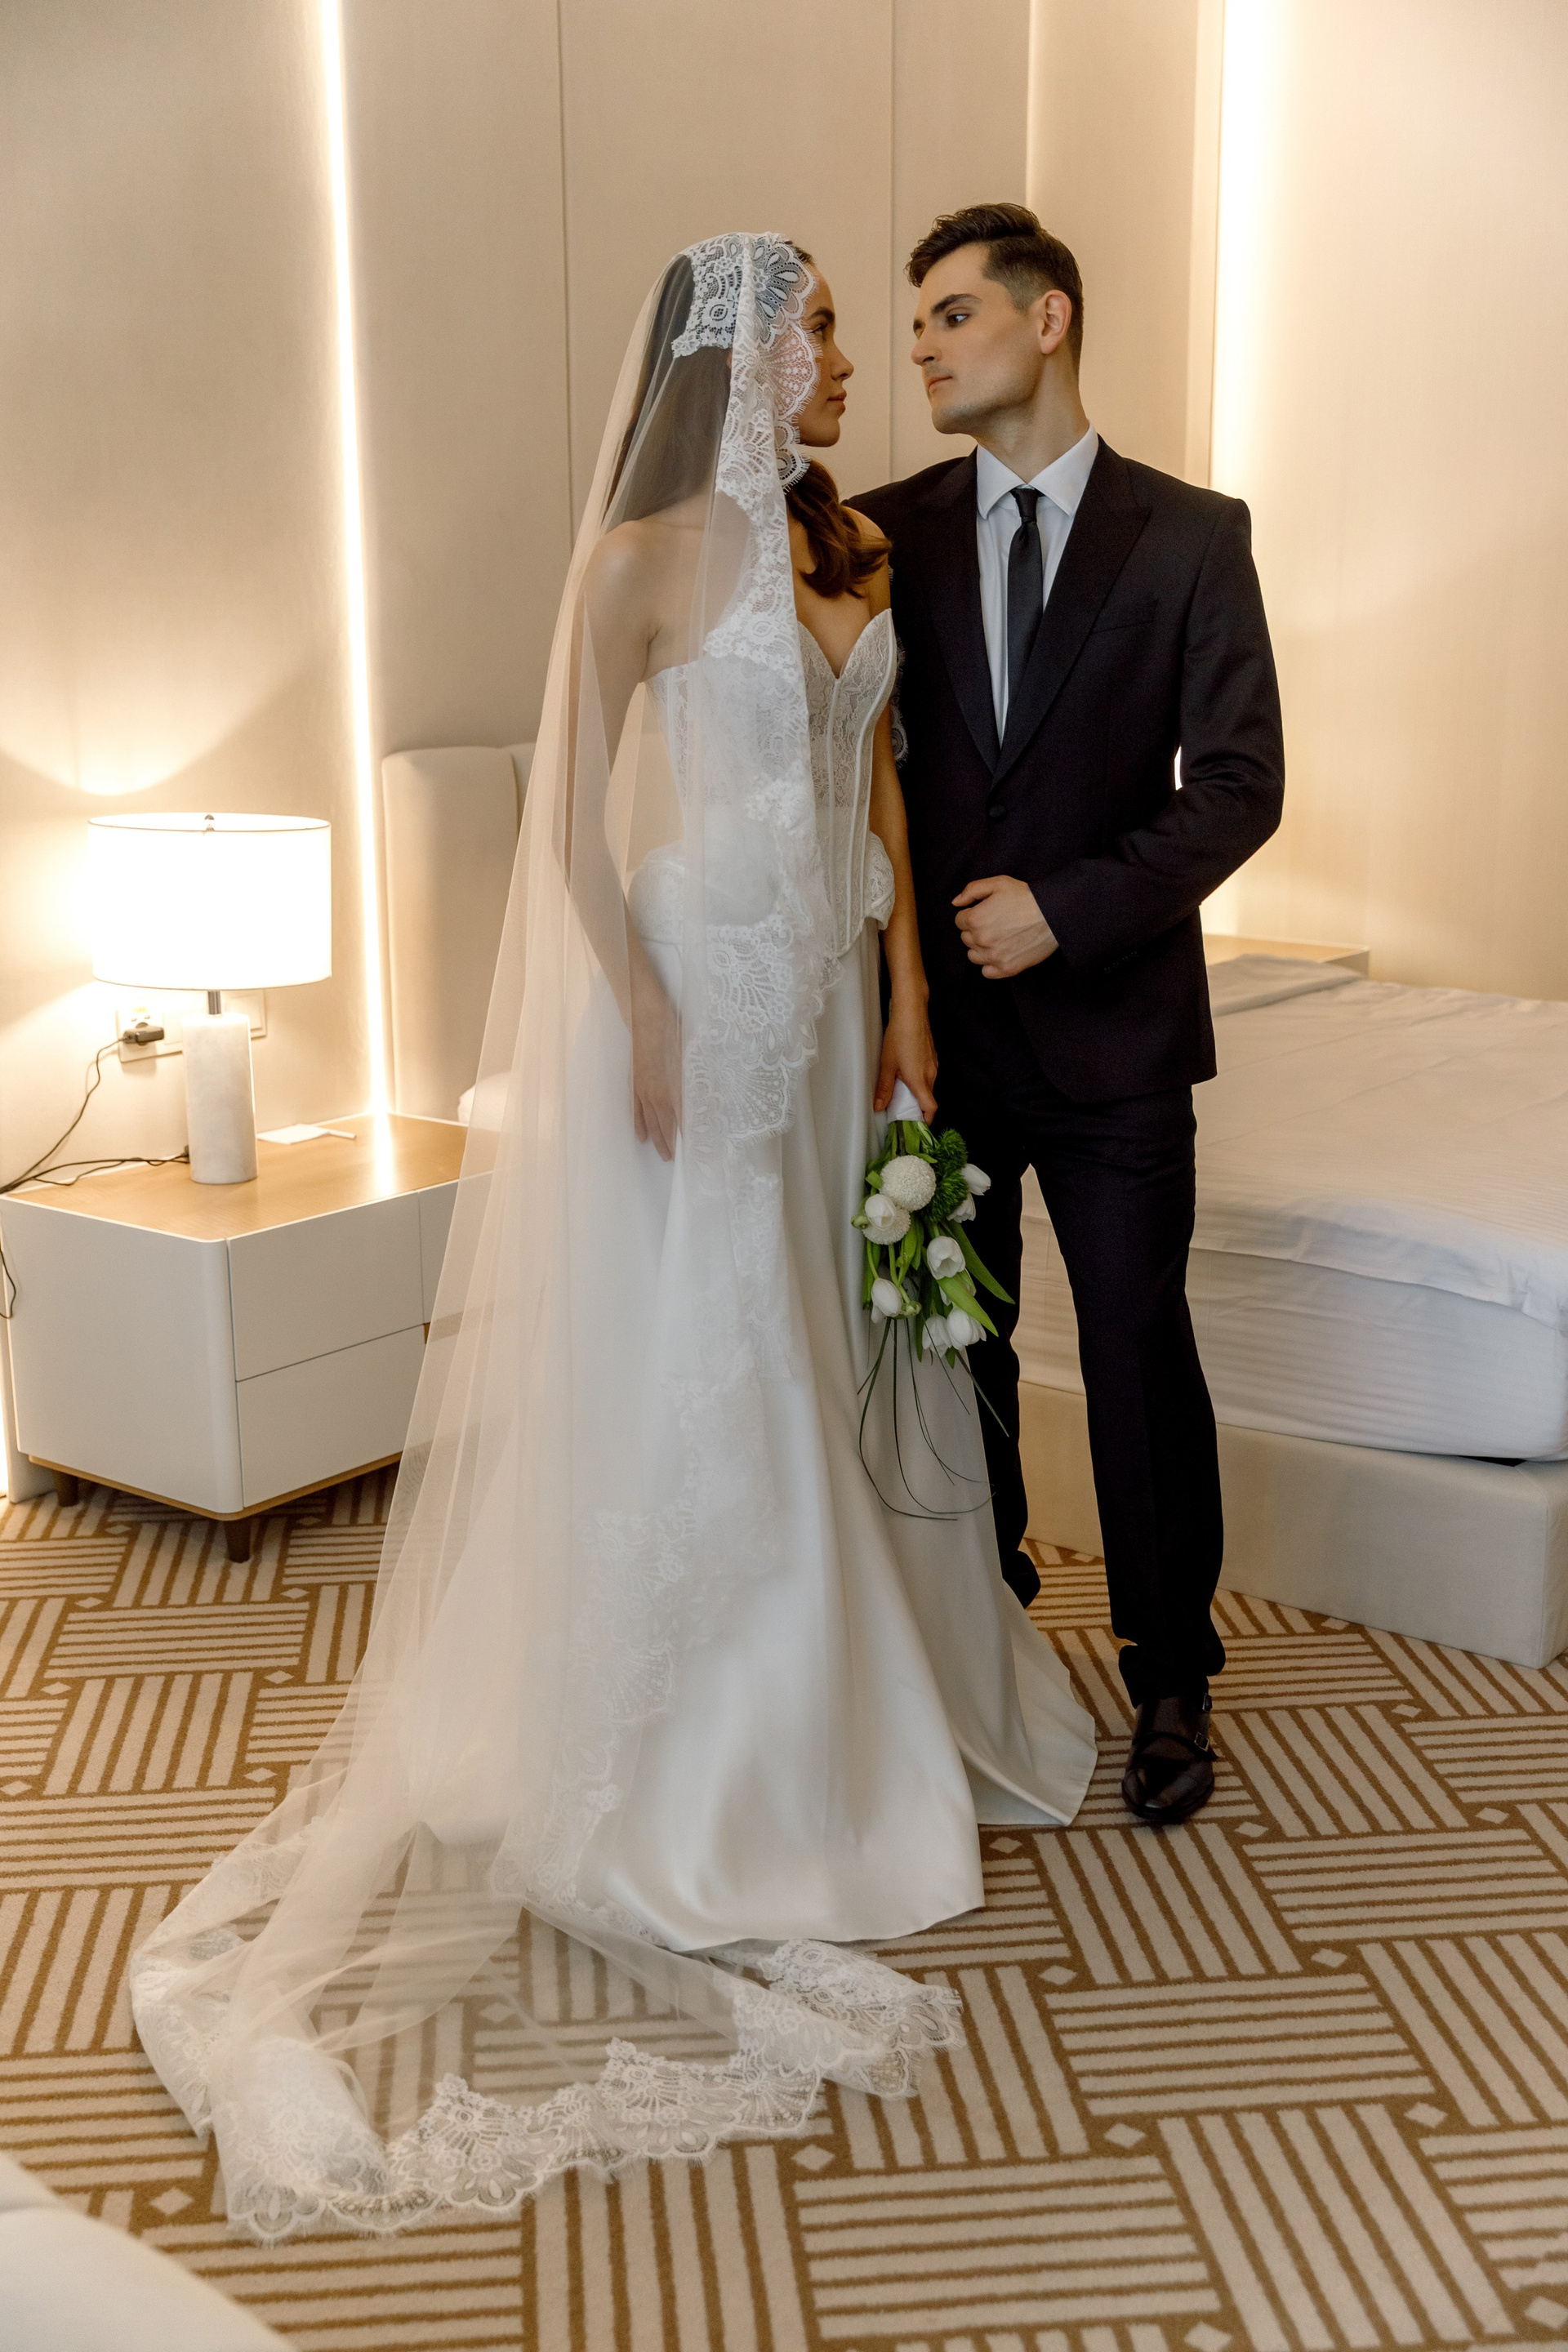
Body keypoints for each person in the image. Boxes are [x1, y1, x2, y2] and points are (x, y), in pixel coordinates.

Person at [130, 234, 1094, 2240]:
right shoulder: (637, 564)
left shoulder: (847, 545)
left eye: (850, 327)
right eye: (819, 328)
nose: (849, 358)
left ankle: (865, 1696)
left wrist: (912, 995)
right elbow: (567, 812)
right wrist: (641, 1005)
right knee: (728, 1341)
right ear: (734, 354)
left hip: (830, 996)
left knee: (830, 1321)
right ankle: (731, 1761)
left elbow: (882, 787)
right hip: (698, 984)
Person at [851, 203, 1285, 1829]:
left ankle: (1172, 1674)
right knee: (951, 1348)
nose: (920, 348)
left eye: (952, 315)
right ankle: (990, 1634)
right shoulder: (879, 535)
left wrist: (1071, 907)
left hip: (1117, 1039)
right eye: (912, 325)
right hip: (939, 1045)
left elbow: (1240, 786)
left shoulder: (1192, 536)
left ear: (1049, 321)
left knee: (1136, 1352)